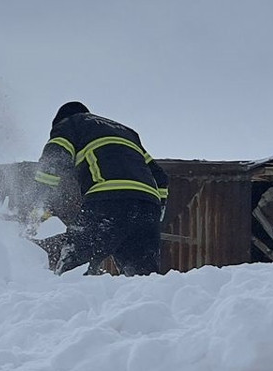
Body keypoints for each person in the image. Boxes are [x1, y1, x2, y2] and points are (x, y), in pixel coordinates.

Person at [31, 101, 170, 275]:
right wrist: (156, 213)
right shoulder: (127, 132)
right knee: (141, 279)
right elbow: (160, 177)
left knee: (73, 267)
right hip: (148, 207)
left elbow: (54, 160)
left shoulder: (70, 123)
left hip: (109, 200)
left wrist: (38, 205)